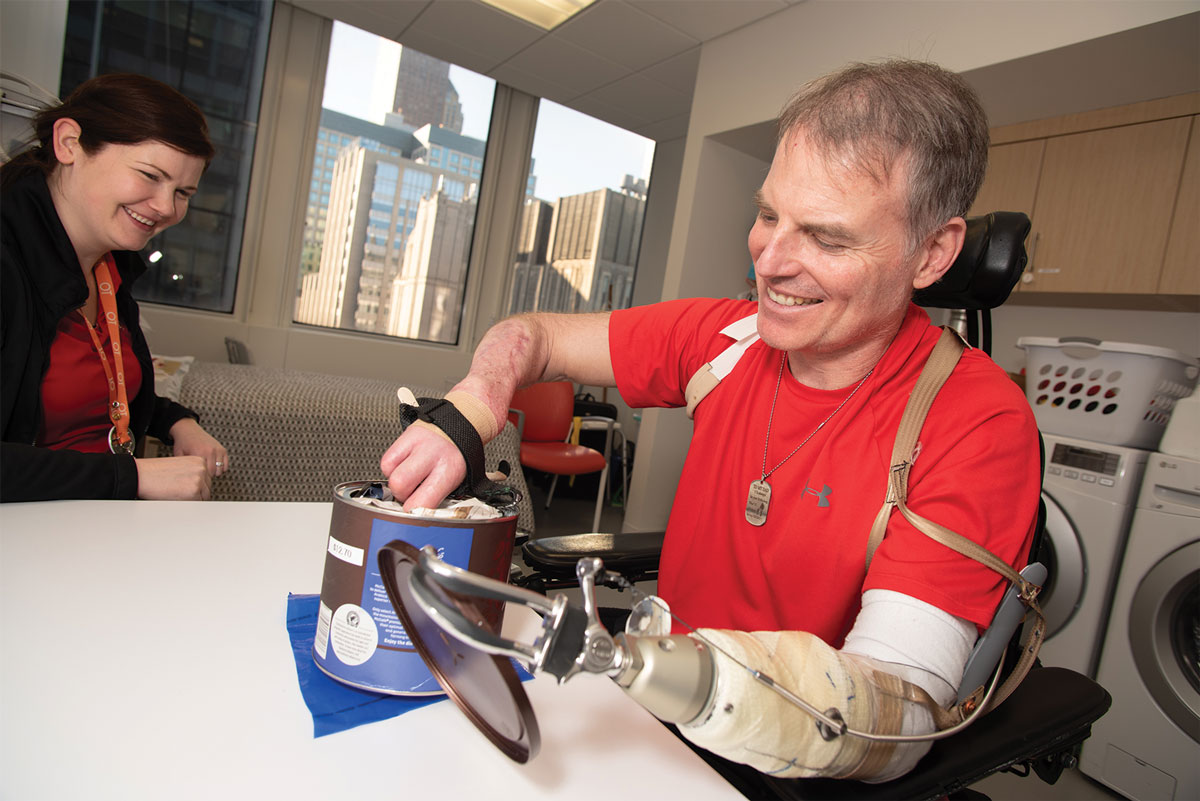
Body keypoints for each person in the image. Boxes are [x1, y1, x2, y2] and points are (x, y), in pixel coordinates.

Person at [380, 60, 1040, 781]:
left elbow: (894, 715)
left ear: (932, 252)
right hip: (657, 716)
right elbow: (534, 335)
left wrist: (671, 670)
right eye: (767, 215)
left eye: (826, 237)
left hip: (784, 764)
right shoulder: (727, 339)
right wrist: (470, 410)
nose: (769, 260)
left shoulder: (977, 420)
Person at [2, 73, 228, 502]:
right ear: (68, 143)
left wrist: (176, 421)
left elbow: (99, 388)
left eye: (183, 192)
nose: (166, 208)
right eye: (149, 175)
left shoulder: (110, 266)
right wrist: (132, 477)